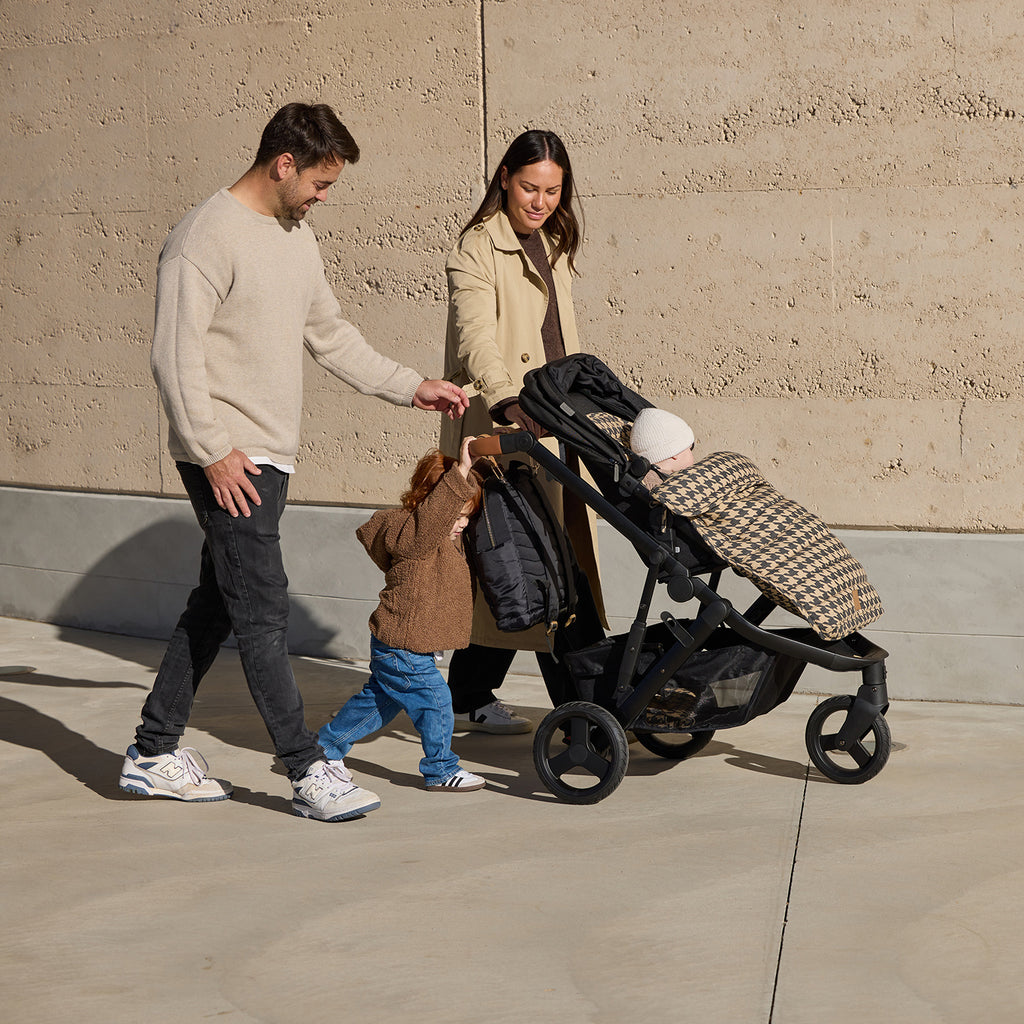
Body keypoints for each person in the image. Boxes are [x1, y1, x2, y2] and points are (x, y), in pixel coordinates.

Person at [118, 102, 470, 823]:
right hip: (230, 461)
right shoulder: (204, 238)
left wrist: (412, 387)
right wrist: (213, 451)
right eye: (319, 181)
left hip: (270, 458)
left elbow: (330, 334)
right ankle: (308, 771)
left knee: (218, 604)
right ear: (284, 164)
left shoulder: (293, 234)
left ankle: (152, 754)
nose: (323, 196)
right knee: (264, 613)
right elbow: (172, 356)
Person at [440, 129, 605, 734]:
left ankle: (467, 692)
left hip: (556, 426)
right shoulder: (476, 249)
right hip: (506, 429)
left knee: (525, 563)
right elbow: (476, 338)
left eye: (553, 191)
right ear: (505, 177)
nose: (540, 201)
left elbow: (561, 339)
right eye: (530, 187)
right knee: (537, 562)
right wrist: (507, 401)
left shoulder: (555, 241)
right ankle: (586, 710)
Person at [317, 437, 487, 792]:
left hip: (400, 643)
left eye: (467, 517)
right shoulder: (412, 534)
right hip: (401, 646)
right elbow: (431, 521)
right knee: (437, 700)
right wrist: (462, 469)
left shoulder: (439, 537)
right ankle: (441, 769)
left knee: (377, 704)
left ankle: (323, 748)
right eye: (456, 514)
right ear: (431, 503)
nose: (460, 524)